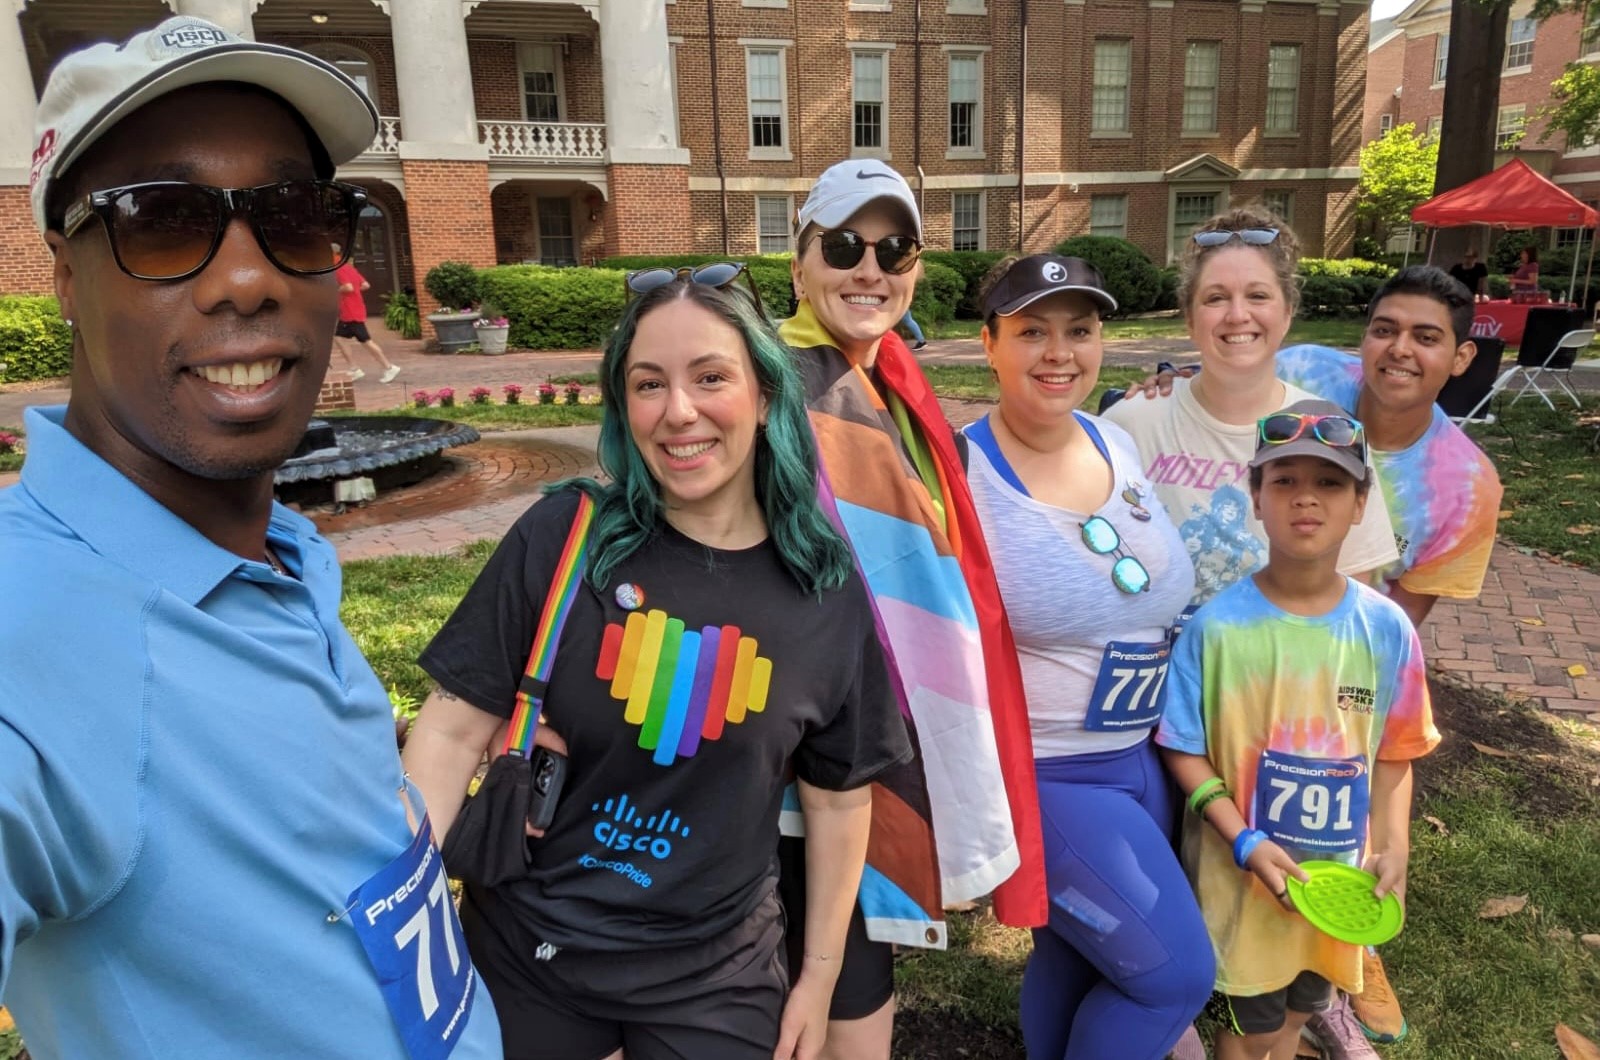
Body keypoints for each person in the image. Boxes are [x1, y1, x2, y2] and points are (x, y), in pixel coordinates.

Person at [1, 18, 501, 1058]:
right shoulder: (33, 629)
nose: (246, 278)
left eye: (294, 214)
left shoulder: (276, 548)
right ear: (63, 274)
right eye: (163, 220)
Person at [403, 271, 912, 1060]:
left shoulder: (824, 588)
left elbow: (839, 801)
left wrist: (817, 978)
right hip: (530, 952)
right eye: (649, 384)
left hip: (714, 974)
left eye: (710, 377)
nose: (678, 411)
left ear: (767, 395)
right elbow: (450, 731)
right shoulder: (565, 538)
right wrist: (402, 907)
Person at [779, 158, 1048, 1060]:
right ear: (799, 262)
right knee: (797, 996)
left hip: (863, 744)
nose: (871, 269)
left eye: (894, 249)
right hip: (789, 760)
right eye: (846, 245)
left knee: (854, 984)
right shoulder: (775, 384)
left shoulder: (892, 379)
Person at [960, 254, 1214, 1059]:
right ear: (989, 343)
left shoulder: (1115, 436)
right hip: (1050, 776)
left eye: (1080, 330)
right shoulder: (957, 474)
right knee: (1173, 978)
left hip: (1143, 764)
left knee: (1075, 960)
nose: (1058, 351)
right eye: (1032, 331)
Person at [1156, 400, 1440, 1060]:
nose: (1305, 500)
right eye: (1284, 481)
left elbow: (1398, 751)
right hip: (1246, 889)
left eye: (1330, 482)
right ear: (1255, 498)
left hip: (1336, 890)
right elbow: (1183, 749)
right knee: (1248, 1032)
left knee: (1294, 1021)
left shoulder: (1386, 629)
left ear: (1361, 502)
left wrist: (1395, 844)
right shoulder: (1216, 629)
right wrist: (1245, 840)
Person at [1101, 207, 1399, 606]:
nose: (1238, 315)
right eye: (1216, 297)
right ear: (1189, 318)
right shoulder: (1129, 424)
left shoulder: (1331, 432)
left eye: (1258, 295)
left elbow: (1351, 595)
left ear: (1288, 312)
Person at [332, 242, 401, 382]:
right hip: (353, 310)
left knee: (366, 341)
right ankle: (354, 369)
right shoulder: (349, 267)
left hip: (350, 312)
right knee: (339, 337)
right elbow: (365, 285)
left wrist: (333, 291)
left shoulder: (338, 268)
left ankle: (389, 367)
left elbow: (348, 287)